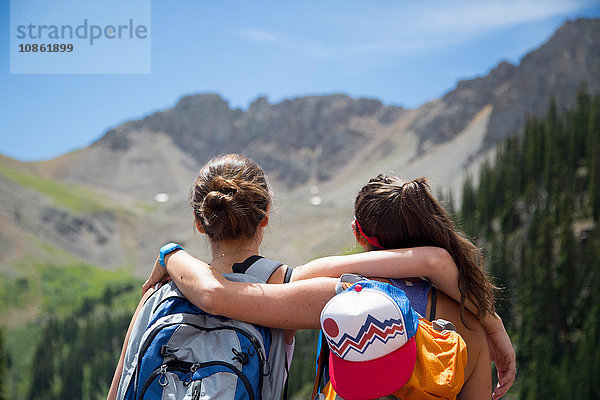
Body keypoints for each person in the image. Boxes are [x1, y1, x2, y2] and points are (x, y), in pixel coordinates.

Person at [143, 170, 516, 399]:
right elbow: (436, 261)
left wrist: (170, 254)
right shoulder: (472, 326)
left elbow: (217, 295)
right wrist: (493, 324)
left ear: (359, 232)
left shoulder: (338, 291)